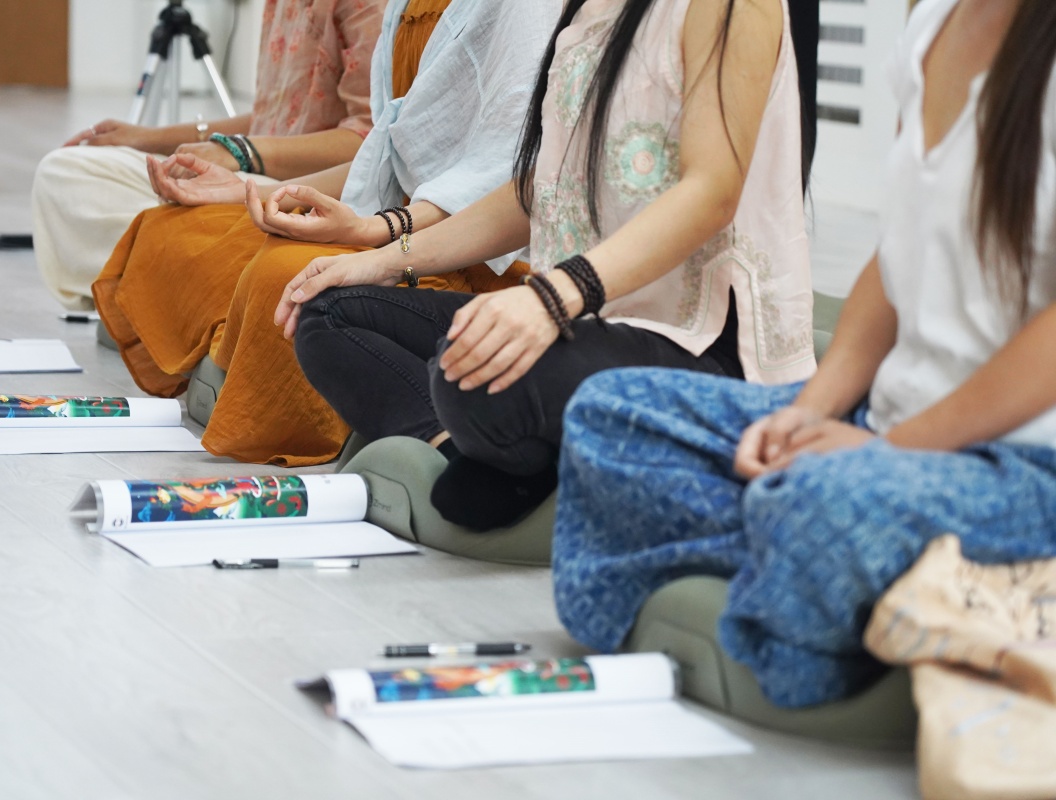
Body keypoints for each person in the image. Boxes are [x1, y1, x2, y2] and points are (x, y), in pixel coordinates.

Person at [551, 0, 1056, 709]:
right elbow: (896, 257)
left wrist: (888, 453)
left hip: (1024, 469)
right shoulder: (935, 20)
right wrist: (811, 410)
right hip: (879, 433)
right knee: (610, 416)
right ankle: (818, 587)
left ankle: (795, 581)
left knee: (826, 508)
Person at [286, 0, 816, 531]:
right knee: (327, 311)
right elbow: (543, 188)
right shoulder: (586, 7)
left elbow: (712, 190)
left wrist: (553, 296)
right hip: (587, 322)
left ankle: (505, 447)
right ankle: (464, 446)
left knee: (470, 369)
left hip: (699, 344)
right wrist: (382, 259)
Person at [92, 0, 561, 466]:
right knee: (176, 227)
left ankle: (260, 374)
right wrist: (251, 190)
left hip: (469, 249)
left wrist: (378, 234)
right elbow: (388, 153)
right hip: (387, 219)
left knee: (291, 281)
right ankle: (234, 357)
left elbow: (506, 176)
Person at [31, 0, 385, 309]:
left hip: (307, 190)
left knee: (180, 218)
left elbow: (371, 143)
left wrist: (240, 152)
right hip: (261, 169)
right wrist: (149, 138)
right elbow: (275, 117)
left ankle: (152, 294)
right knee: (66, 173)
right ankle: (153, 294)